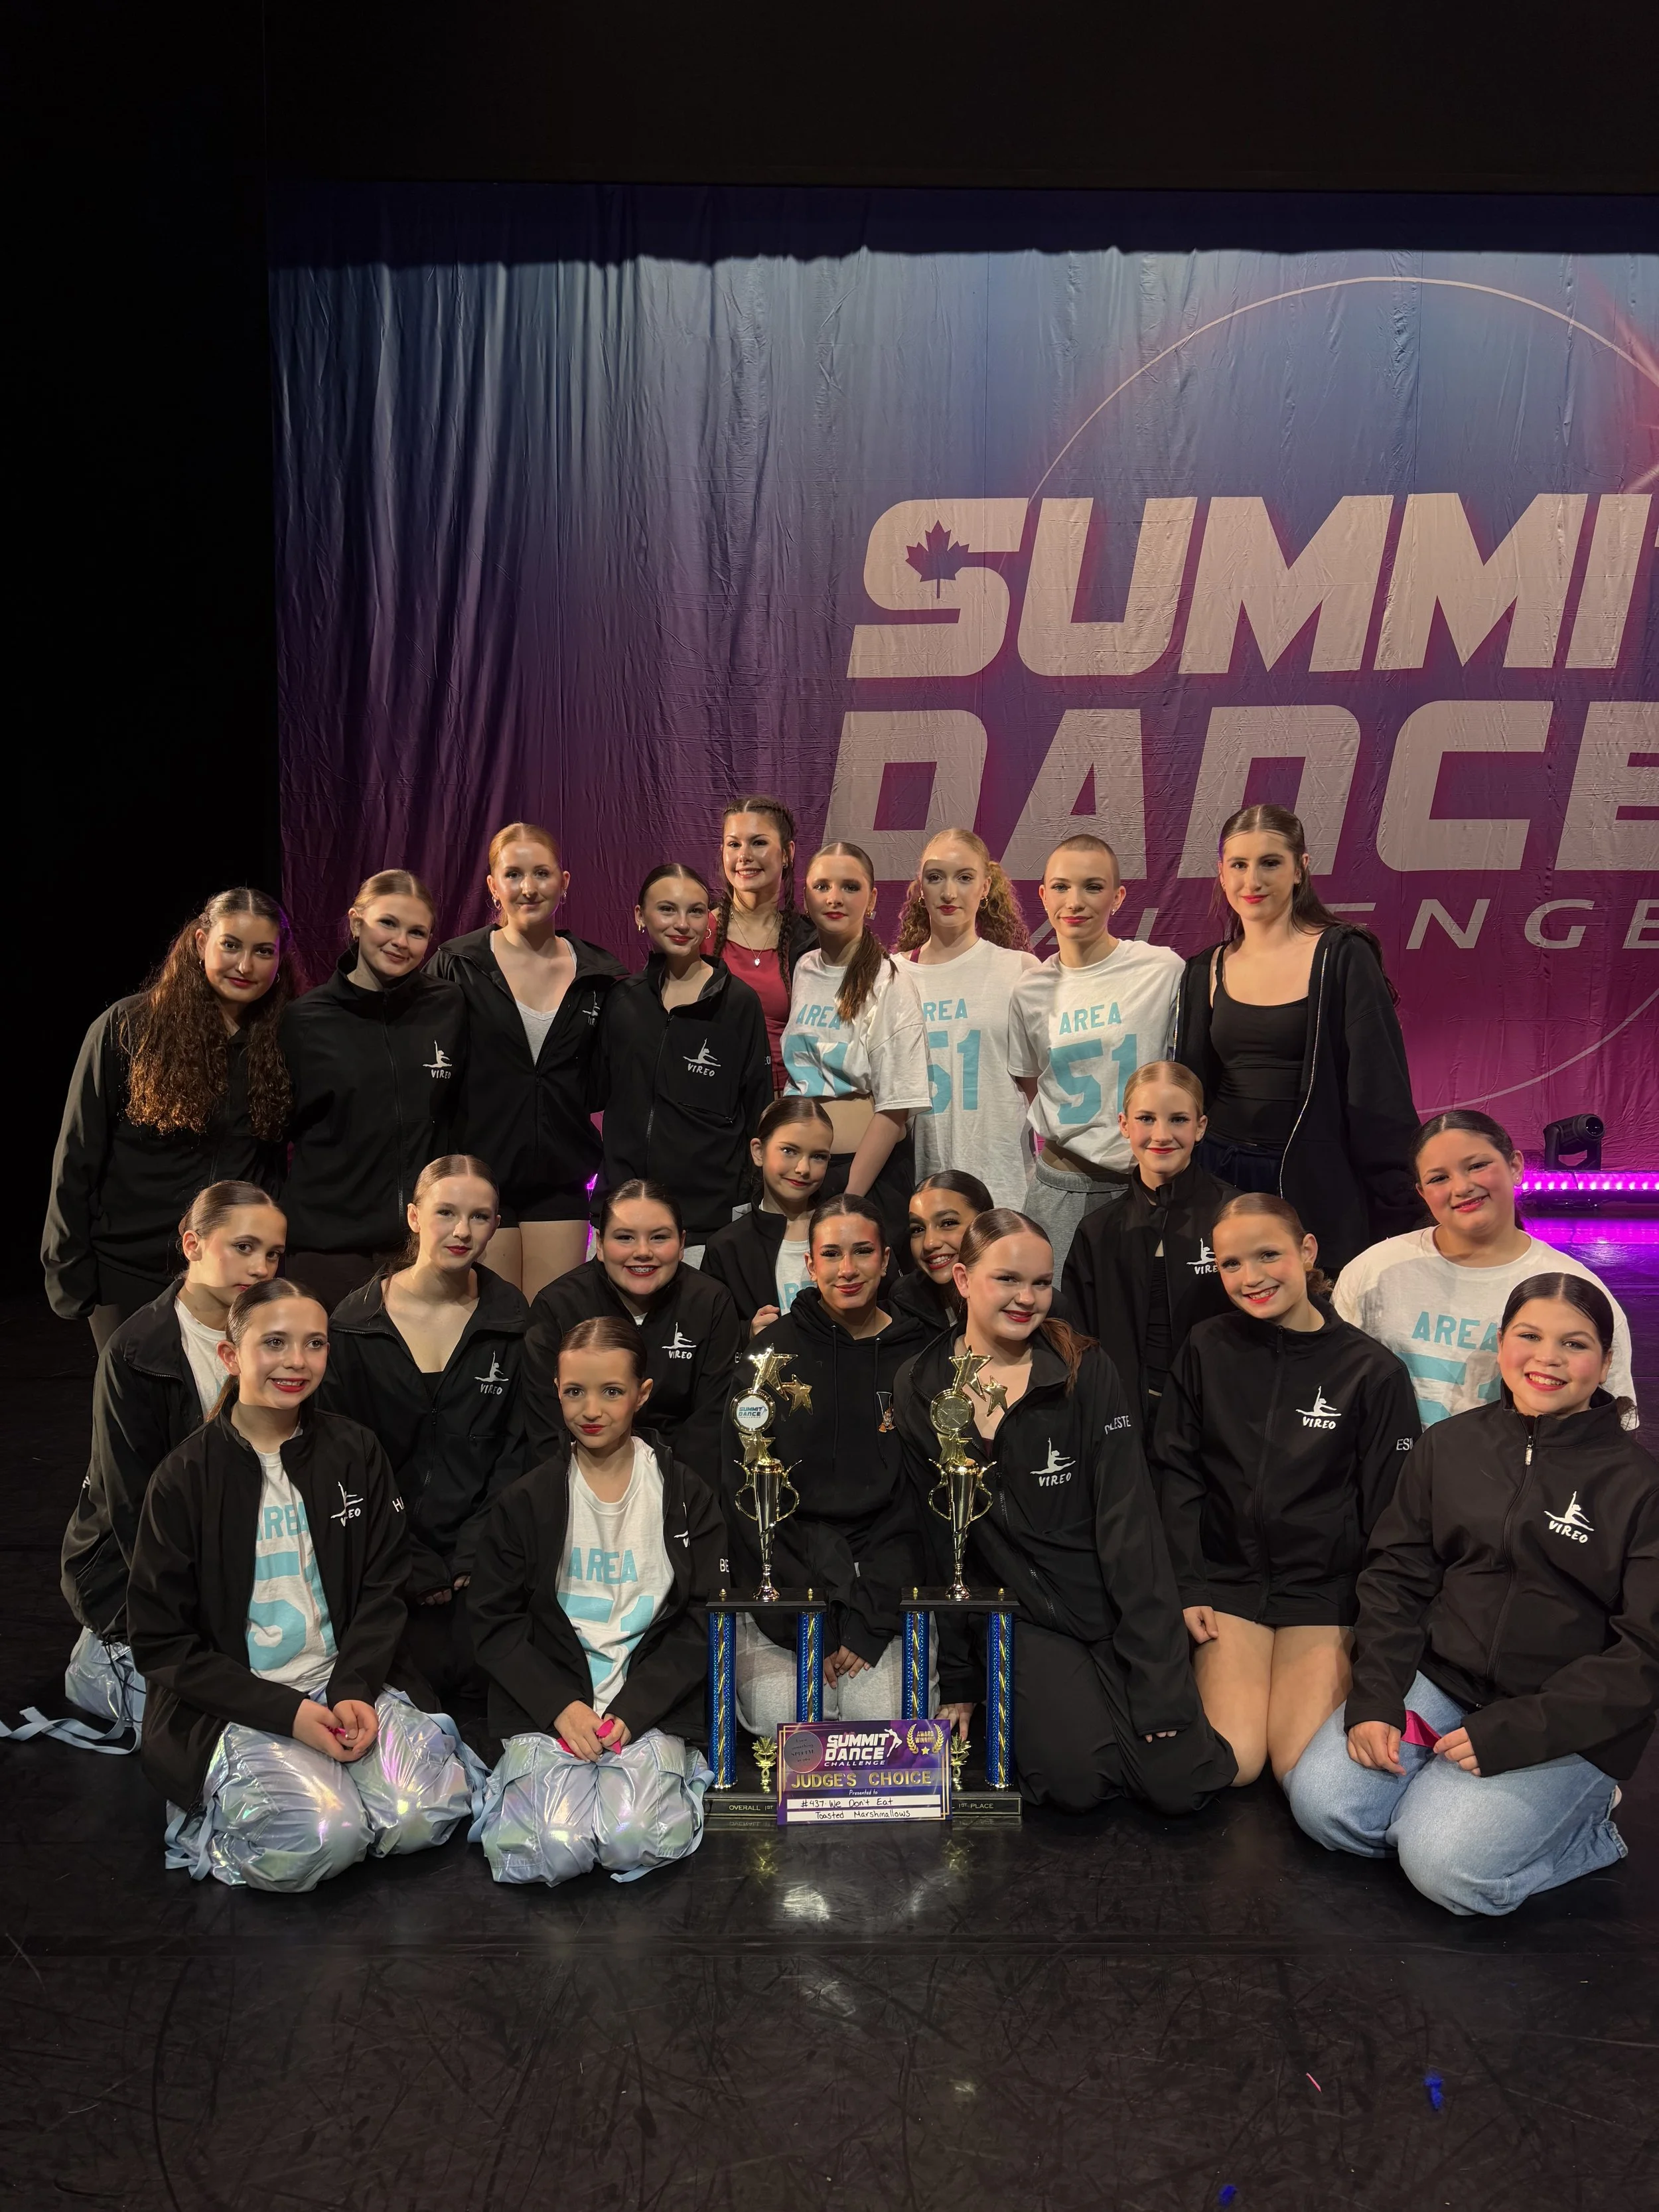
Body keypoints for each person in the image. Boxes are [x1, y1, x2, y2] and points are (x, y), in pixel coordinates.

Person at [1286, 1276, 1659, 1917]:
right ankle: (1443, 1820)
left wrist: (1514, 1732)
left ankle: (1590, 1825)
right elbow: (1398, 1574)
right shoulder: (1450, 1445)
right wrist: (1375, 1696)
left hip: (1558, 1711)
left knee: (1448, 1871)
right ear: (1502, 1341)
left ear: (1604, 1360)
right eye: (1529, 1336)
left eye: (1574, 1344)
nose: (1547, 1358)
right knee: (1324, 1807)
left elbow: (1647, 1652)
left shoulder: (1639, 1485)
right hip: (1444, 1680)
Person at [125, 1280, 477, 1892]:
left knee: (422, 1817)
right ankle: (215, 1815)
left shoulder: (354, 1450)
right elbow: (162, 1643)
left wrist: (354, 1691)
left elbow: (382, 1585)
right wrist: (289, 1713)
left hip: (345, 1681)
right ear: (231, 1356)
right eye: (275, 1342)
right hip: (245, 1700)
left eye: (314, 1343)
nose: (297, 1360)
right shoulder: (183, 1479)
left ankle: (346, 1783)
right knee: (324, 1840)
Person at [893, 1210, 1236, 1812]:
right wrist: (963, 1674)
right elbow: (936, 1539)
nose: (1028, 1298)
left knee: (1186, 1784)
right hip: (1023, 1616)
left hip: (1107, 1599)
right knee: (1075, 1784)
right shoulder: (921, 1384)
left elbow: (1131, 1529)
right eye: (1008, 1280)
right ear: (964, 1278)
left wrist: (1160, 1688)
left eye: (1042, 1282)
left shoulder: (1085, 1368)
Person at [1150, 1193, 1420, 1789]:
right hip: (1229, 1585)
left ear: (1307, 1250)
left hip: (1322, 1591)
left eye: (1268, 1255)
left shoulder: (1372, 1372)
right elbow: (1177, 1473)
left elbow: (1390, 1523)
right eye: (1231, 1265)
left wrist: (1368, 1625)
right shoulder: (1205, 1348)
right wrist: (1188, 1582)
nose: (1252, 1278)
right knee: (1237, 1763)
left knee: (1298, 1765)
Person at [468, 1317, 726, 1886]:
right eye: (575, 1391)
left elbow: (703, 1618)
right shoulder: (527, 1499)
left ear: (643, 1394)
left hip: (646, 1708)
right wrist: (560, 1705)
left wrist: (634, 1710)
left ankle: (673, 1773)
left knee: (634, 1838)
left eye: (612, 1391)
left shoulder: (685, 1495)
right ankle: (513, 1782)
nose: (592, 1409)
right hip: (554, 1704)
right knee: (547, 1849)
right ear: (556, 1391)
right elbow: (492, 1621)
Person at [59, 1181, 288, 1730]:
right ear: (192, 1245)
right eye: (243, 1247)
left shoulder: (280, 1333)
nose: (261, 1267)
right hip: (138, 1573)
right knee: (219, 1720)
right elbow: (133, 1510)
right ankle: (100, 1661)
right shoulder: (137, 1352)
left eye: (274, 1253)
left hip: (243, 1554)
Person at [722, 1195, 950, 1736]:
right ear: (810, 1265)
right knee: (789, 1717)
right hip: (792, 1584)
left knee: (882, 1722)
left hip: (889, 1580)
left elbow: (926, 1502)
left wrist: (873, 1621)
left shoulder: (924, 1356)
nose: (847, 1269)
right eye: (831, 1254)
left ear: (887, 1258)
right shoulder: (767, 1359)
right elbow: (748, 1500)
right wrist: (807, 1626)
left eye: (862, 1251)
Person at [1173, 802, 1422, 1279]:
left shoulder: (1344, 956)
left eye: (1270, 862)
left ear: (1299, 869)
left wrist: (1405, 1207)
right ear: (1221, 874)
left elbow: (1379, 1092)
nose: (1253, 881)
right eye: (1239, 865)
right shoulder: (1204, 968)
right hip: (1222, 1179)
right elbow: (1191, 1090)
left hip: (1319, 1180)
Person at [320, 1156, 528, 1709]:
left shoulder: (514, 1320)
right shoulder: (353, 1324)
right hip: (386, 1568)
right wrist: (407, 1555)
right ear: (414, 1217)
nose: (462, 1231)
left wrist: (475, 1550)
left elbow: (521, 1449)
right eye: (446, 1213)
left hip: (484, 1568)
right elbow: (343, 1459)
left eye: (480, 1216)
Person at [44, 889, 294, 1349]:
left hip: (232, 1274)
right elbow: (78, 1156)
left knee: (221, 1415)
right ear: (201, 943)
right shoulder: (129, 1026)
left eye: (263, 951)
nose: (245, 966)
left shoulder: (281, 1042)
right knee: (139, 1414)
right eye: (231, 945)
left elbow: (273, 1158)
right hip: (130, 1270)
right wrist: (67, 1268)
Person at [1334, 1108, 1638, 1430]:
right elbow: (1337, 1387)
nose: (1462, 1187)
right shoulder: (1373, 1270)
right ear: (1423, 1194)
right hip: (1391, 1476)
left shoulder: (1573, 1287)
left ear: (1516, 1166)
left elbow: (1612, 1425)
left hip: (1517, 1477)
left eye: (1478, 1166)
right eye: (1439, 1178)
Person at [432, 823, 624, 1299]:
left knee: (546, 1328)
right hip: (479, 1178)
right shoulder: (457, 965)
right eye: (513, 874)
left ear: (564, 882)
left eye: (541, 873)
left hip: (560, 1178)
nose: (528, 887)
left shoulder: (602, 974)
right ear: (493, 886)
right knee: (492, 1325)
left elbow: (607, 1080)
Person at [279, 869, 467, 1311]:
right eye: (388, 923)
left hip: (418, 1246)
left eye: (417, 932)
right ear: (356, 921)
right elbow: (274, 1131)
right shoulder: (305, 1021)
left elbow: (460, 1114)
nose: (401, 941)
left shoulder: (449, 1006)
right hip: (327, 1247)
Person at [1008, 836, 1185, 1275]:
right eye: (1062, 887)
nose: (1076, 901)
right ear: (1044, 895)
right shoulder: (1029, 991)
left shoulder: (1161, 970)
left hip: (1143, 1185)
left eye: (1092, 886)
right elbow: (1031, 1080)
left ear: (1117, 896)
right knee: (1056, 1324)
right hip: (1060, 1185)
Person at [593, 863, 770, 1254]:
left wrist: (751, 1199)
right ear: (641, 916)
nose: (682, 923)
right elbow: (598, 1093)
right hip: (623, 1214)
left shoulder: (738, 1003)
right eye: (667, 909)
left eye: (695, 911)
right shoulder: (621, 1001)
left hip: (707, 1221)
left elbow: (758, 1108)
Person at [523, 1181, 744, 1482]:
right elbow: (546, 1428)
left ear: (681, 1244)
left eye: (659, 1237)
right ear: (599, 1244)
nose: (642, 1252)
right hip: (578, 1480)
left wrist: (672, 1496)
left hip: (679, 1481)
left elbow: (710, 1424)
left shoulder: (711, 1302)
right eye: (625, 1237)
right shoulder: (557, 1306)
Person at [1062, 1063, 1237, 1430]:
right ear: (1124, 1125)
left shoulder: (1236, 1218)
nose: (1161, 1135)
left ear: (1200, 1127)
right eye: (1146, 1119)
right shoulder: (1097, 1232)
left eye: (1178, 1120)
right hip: (1124, 1425)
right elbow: (1079, 1343)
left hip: (1220, 1421)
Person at [779, 840, 931, 1252]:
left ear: (872, 899)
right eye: (822, 886)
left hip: (864, 1176)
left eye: (850, 887)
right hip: (801, 1172)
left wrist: (848, 1198)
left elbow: (895, 1109)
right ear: (805, 896)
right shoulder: (805, 967)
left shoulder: (890, 982)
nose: (834, 898)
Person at [895, 828, 1041, 1209]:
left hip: (1004, 1186)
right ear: (920, 887)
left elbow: (1038, 1090)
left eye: (964, 878)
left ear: (986, 886)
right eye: (936, 877)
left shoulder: (1020, 971)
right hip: (919, 1193)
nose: (949, 892)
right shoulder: (891, 975)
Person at [704, 795, 818, 1091]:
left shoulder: (810, 939)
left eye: (758, 843)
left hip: (789, 1104)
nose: (744, 855)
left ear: (787, 853)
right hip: (710, 1104)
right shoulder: (697, 931)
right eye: (734, 844)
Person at [699, 1096, 835, 1335]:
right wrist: (748, 1334)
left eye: (818, 1156)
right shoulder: (726, 1247)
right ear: (759, 1152)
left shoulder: (849, 1230)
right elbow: (709, 1333)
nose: (803, 1168)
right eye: (789, 1151)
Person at [892, 1169, 996, 1333]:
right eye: (918, 1229)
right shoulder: (905, 1298)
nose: (929, 1243)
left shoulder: (1027, 1296)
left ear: (987, 1224)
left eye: (948, 1223)